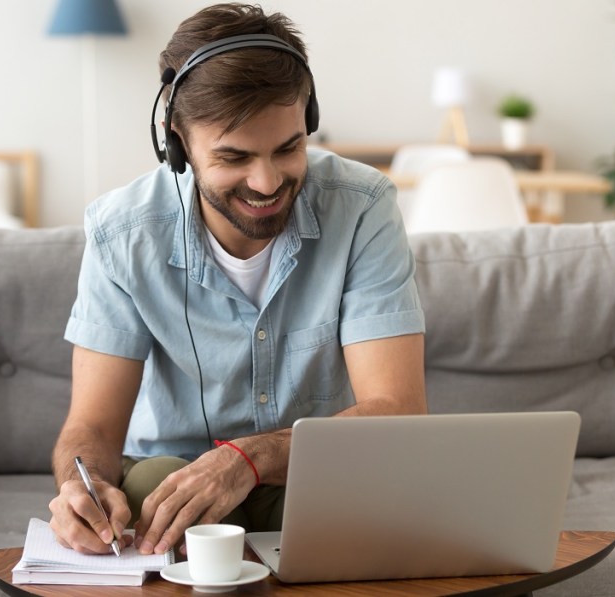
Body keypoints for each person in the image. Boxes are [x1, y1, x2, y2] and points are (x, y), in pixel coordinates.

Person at [48, 2, 426, 558]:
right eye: (234, 157)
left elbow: (396, 409)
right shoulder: (120, 232)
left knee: (352, 507)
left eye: (288, 148)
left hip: (306, 476)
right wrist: (81, 488)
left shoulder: (363, 207)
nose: (267, 180)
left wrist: (248, 460)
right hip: (165, 483)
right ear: (176, 142)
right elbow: (93, 429)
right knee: (152, 483)